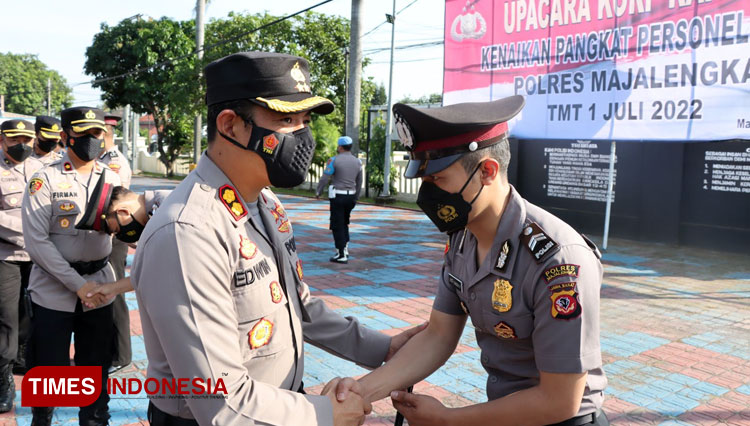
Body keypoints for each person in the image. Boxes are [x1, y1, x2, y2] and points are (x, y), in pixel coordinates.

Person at [130, 51, 424, 426]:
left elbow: (297, 307)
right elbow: (221, 405)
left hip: (281, 407)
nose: (303, 136)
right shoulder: (189, 233)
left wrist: (382, 347)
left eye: (305, 120)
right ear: (231, 125)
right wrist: (324, 414)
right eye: (286, 120)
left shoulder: (265, 202)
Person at [332, 96, 609, 426]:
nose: (427, 194)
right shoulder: (462, 237)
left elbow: (559, 400)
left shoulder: (557, 260)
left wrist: (450, 420)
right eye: (423, 180)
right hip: (502, 413)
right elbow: (438, 335)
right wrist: (360, 392)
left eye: (437, 180)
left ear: (487, 172)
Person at [21, 107, 122, 426]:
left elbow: (127, 224)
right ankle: (43, 418)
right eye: (84, 133)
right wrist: (77, 285)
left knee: (95, 367)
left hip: (100, 288)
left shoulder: (112, 178)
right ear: (66, 136)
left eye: (97, 133)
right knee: (49, 369)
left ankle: (94, 419)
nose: (92, 140)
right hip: (53, 292)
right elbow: (36, 242)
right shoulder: (45, 179)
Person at [0, 119, 44, 412]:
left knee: (33, 311)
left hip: (37, 256)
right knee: (6, 318)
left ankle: (22, 360)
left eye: (27, 140)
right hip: (6, 254)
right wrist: (28, 232)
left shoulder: (39, 169)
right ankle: (3, 379)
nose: (23, 145)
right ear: (2, 139)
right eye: (16, 139)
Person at [98, 113, 133, 373]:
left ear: (103, 136)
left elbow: (114, 202)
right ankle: (111, 349)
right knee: (108, 290)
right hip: (104, 235)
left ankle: (121, 355)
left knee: (115, 291)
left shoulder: (114, 163)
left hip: (114, 235)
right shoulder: (101, 160)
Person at [316, 136, 362, 264]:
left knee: (337, 224)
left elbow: (325, 178)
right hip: (351, 197)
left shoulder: (333, 160)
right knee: (345, 222)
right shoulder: (357, 162)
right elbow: (359, 181)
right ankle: (345, 249)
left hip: (338, 196)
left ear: (340, 147)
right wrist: (356, 197)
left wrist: (318, 191)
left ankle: (341, 253)